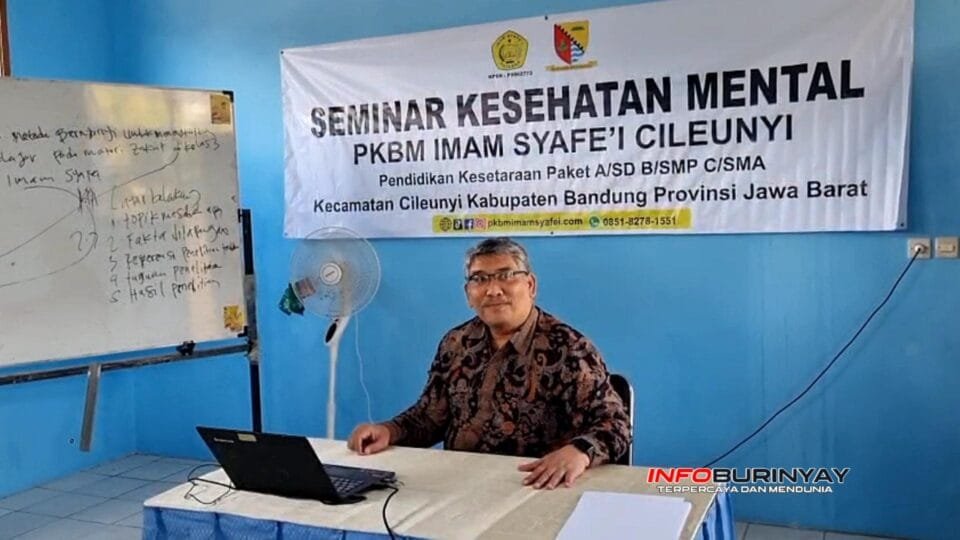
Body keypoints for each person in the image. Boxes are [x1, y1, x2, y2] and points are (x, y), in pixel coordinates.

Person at [347, 237, 631, 489]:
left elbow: (615, 425)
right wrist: (388, 430)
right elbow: (430, 416)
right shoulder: (456, 343)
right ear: (468, 294)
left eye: (506, 275)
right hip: (459, 486)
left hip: (534, 487)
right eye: (480, 279)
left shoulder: (569, 348)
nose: (493, 290)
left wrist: (578, 452)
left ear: (530, 285)